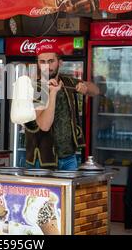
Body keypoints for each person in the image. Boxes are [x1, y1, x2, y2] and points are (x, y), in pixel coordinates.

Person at [24, 41, 100, 170]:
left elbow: (96, 90)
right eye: (42, 62)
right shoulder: (35, 88)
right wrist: (52, 93)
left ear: (60, 62)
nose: (47, 66)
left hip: (69, 158)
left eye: (51, 61)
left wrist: (85, 88)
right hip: (43, 161)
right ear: (37, 63)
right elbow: (44, 125)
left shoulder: (67, 81)